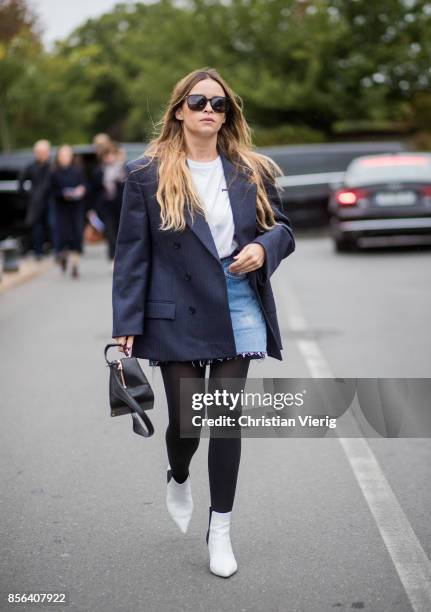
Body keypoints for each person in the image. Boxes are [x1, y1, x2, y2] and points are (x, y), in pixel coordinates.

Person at [111, 68, 295, 578]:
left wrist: (262, 247)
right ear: (179, 110)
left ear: (227, 115)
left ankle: (221, 530)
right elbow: (131, 255)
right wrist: (124, 322)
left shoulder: (250, 170)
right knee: (188, 424)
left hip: (239, 302)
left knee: (226, 421)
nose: (210, 110)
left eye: (219, 104)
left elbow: (282, 228)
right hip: (176, 307)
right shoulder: (145, 174)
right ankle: (178, 472)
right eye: (199, 102)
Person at [50, 145, 87, 278]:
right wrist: (63, 194)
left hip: (76, 208)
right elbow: (51, 191)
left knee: (76, 236)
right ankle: (63, 256)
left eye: (67, 155)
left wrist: (81, 190)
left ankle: (75, 266)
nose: (65, 158)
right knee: (63, 236)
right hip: (61, 209)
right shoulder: (54, 172)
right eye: (62, 155)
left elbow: (85, 185)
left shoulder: (78, 170)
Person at [18, 139, 57, 260]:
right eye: (39, 152)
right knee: (37, 228)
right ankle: (38, 252)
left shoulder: (52, 167)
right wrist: (30, 195)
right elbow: (21, 184)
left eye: (44, 151)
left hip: (50, 201)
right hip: (36, 202)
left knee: (52, 225)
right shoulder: (30, 167)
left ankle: (56, 250)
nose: (42, 154)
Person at [92, 145, 126, 261]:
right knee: (110, 231)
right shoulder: (99, 170)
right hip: (106, 205)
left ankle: (121, 256)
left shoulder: (123, 169)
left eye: (112, 155)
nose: (110, 158)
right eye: (108, 155)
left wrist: (120, 179)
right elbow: (94, 189)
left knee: (120, 231)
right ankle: (112, 256)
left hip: (121, 205)